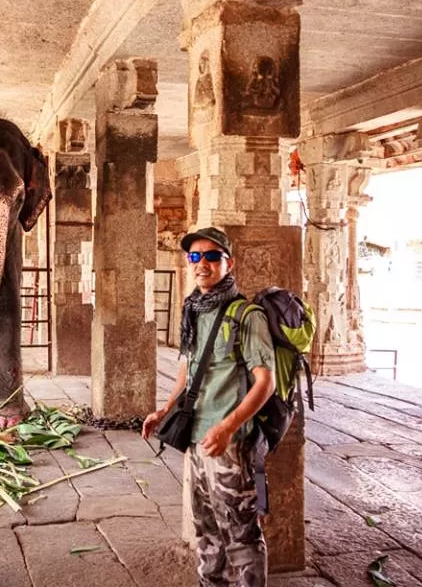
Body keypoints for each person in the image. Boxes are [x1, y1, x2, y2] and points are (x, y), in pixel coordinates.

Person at [143, 227, 276, 586]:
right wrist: (165, 411)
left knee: (241, 536)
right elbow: (188, 371)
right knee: (206, 532)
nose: (202, 264)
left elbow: (266, 382)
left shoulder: (246, 316)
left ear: (228, 263)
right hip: (197, 441)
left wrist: (228, 426)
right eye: (195, 257)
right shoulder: (193, 311)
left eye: (211, 256)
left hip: (230, 446)